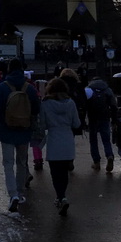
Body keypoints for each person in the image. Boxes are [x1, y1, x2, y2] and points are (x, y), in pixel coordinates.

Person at [0, 58, 41, 212]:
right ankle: (20, 191)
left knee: (8, 163)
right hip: (24, 130)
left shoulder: (3, 87)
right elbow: (36, 108)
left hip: (6, 130)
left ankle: (13, 194)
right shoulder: (29, 88)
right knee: (22, 162)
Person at [40, 77, 83, 215]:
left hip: (54, 140)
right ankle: (62, 196)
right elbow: (76, 123)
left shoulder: (45, 104)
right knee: (64, 173)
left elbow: (43, 125)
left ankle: (60, 197)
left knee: (55, 173)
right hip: (67, 140)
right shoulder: (70, 103)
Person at [84, 76, 119, 171]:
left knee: (93, 140)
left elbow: (83, 105)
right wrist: (114, 121)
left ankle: (96, 162)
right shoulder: (107, 90)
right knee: (106, 139)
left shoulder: (88, 90)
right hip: (105, 117)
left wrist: (83, 120)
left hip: (92, 118)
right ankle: (109, 156)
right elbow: (114, 106)